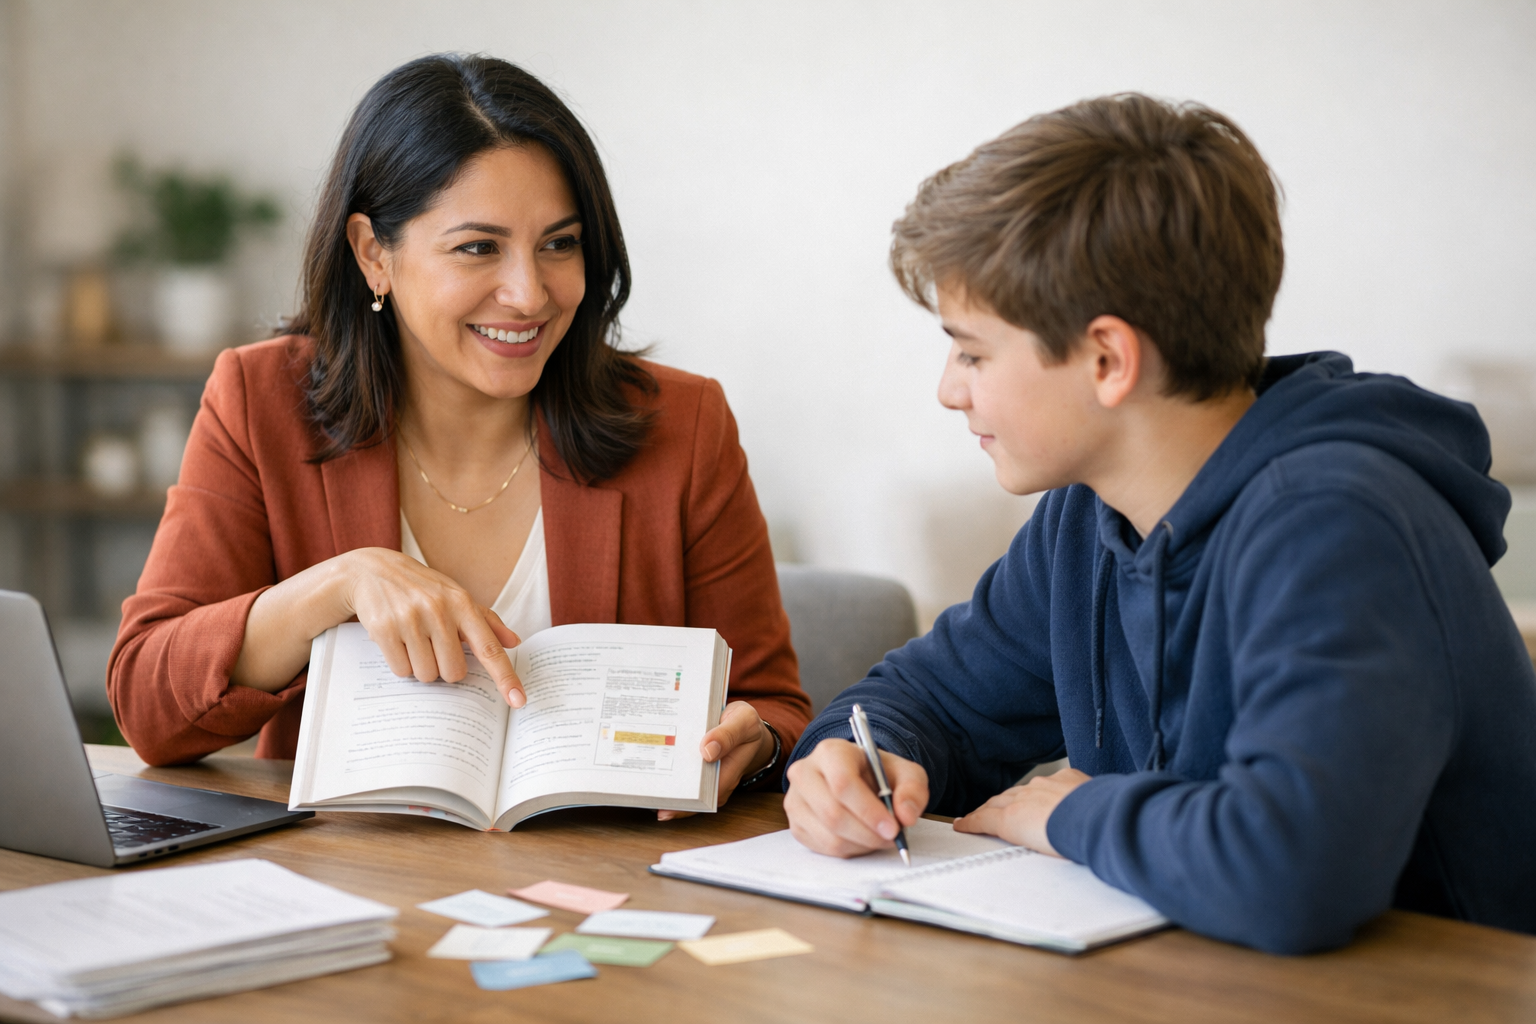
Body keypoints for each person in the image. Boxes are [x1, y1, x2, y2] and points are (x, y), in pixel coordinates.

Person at [782, 93, 1536, 953]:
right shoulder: (1089, 511)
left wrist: (1073, 811)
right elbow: (932, 701)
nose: (949, 389)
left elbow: (1292, 873)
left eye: (973, 352)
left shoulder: (1336, 525)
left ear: (1108, 359)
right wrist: (851, 762)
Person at [109, 54, 810, 812]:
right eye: (478, 248)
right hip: (346, 881)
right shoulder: (259, 401)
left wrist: (756, 741)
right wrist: (337, 585)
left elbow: (774, 706)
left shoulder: (684, 424)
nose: (529, 293)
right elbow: (148, 706)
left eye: (560, 243)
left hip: (603, 884)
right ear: (374, 253)